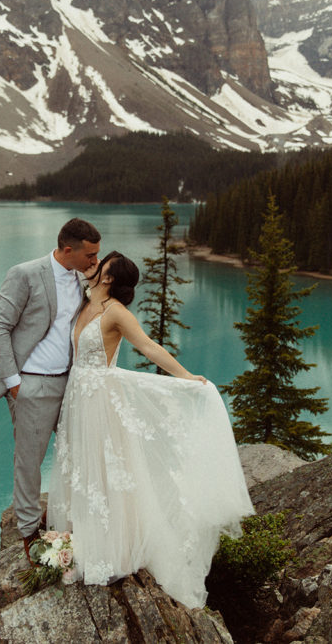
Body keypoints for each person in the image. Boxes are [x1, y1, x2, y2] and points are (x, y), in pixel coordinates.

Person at [47, 251, 253, 608]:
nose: (94, 266)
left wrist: (186, 377)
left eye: (102, 264)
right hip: (77, 398)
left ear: (110, 277)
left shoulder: (116, 313)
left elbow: (148, 347)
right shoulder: (83, 302)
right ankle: (77, 540)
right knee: (79, 469)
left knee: (109, 472)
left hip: (101, 401)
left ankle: (116, 549)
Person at [0, 218, 101, 561]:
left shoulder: (84, 279)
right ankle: (28, 532)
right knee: (29, 461)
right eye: (90, 255)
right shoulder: (25, 273)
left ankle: (72, 514)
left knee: (78, 449)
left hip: (71, 383)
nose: (95, 261)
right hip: (31, 384)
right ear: (69, 250)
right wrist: (14, 383)